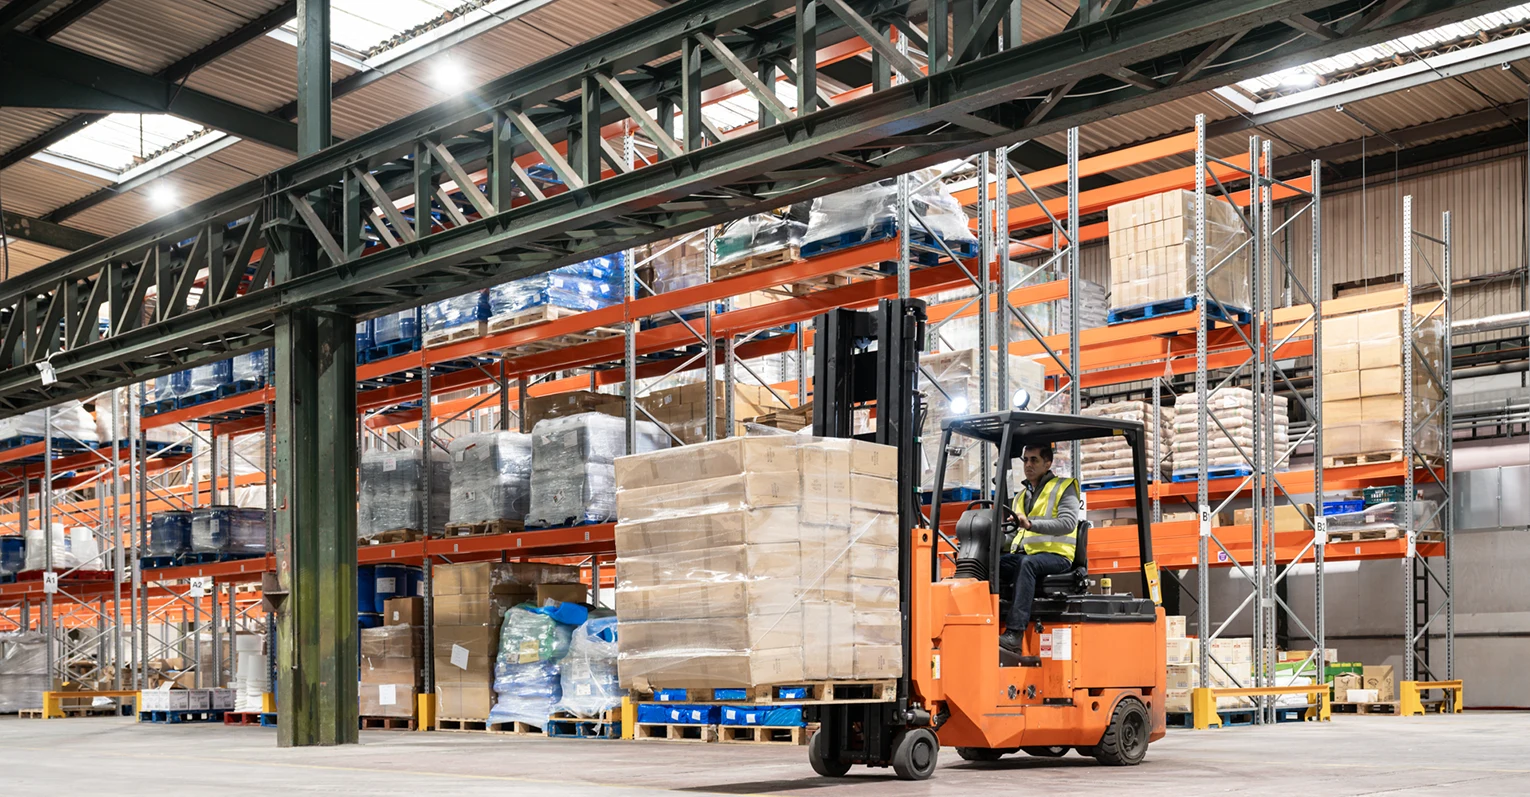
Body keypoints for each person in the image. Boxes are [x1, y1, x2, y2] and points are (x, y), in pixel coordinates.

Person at [997, 442, 1079, 655]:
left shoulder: (1064, 487)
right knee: (991, 565)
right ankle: (987, 620)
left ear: (1048, 463)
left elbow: (1068, 523)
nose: (1028, 465)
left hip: (1058, 557)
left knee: (1027, 564)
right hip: (1031, 555)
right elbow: (1014, 534)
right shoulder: (1020, 496)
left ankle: (1015, 633)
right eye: (1025, 460)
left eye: (1034, 460)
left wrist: (1031, 523)